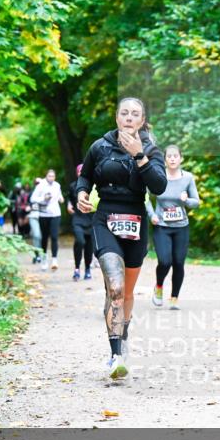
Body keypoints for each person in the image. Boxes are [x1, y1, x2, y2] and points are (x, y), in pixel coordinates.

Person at [75, 97, 166, 378]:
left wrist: (140, 155)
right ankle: (115, 357)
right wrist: (80, 194)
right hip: (105, 220)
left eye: (134, 114)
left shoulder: (151, 149)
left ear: (141, 120)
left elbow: (159, 186)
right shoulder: (99, 146)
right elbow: (85, 177)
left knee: (126, 293)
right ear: (117, 118)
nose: (129, 117)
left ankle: (122, 338)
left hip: (136, 224)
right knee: (114, 287)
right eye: (124, 113)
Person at [146, 144, 200, 310]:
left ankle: (174, 297)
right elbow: (145, 197)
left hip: (181, 227)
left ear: (181, 158)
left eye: (175, 156)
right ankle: (159, 287)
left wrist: (186, 200)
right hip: (161, 225)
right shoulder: (158, 177)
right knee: (164, 261)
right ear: (165, 160)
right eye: (169, 156)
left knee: (178, 263)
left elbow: (196, 203)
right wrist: (152, 215)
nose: (172, 159)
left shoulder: (188, 178)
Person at [31, 169, 64, 271]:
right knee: (44, 238)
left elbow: (59, 196)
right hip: (44, 215)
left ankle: (54, 260)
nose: (51, 178)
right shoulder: (40, 185)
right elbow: (32, 199)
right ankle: (44, 259)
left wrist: (61, 199)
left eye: (53, 176)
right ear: (46, 176)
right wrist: (43, 199)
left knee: (54, 237)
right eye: (49, 176)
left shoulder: (57, 185)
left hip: (55, 214)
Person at [67, 164, 94, 281]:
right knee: (80, 241)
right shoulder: (73, 186)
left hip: (92, 219)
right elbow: (69, 198)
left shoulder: (94, 186)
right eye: (79, 171)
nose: (81, 173)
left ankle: (87, 269)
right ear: (77, 173)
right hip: (78, 218)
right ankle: (77, 268)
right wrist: (68, 205)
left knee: (89, 246)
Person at [28, 178, 43, 263]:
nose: (38, 185)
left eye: (39, 183)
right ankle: (37, 255)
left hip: (44, 217)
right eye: (36, 183)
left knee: (42, 237)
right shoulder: (32, 194)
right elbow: (25, 204)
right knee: (37, 236)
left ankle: (39, 254)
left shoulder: (46, 194)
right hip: (33, 217)